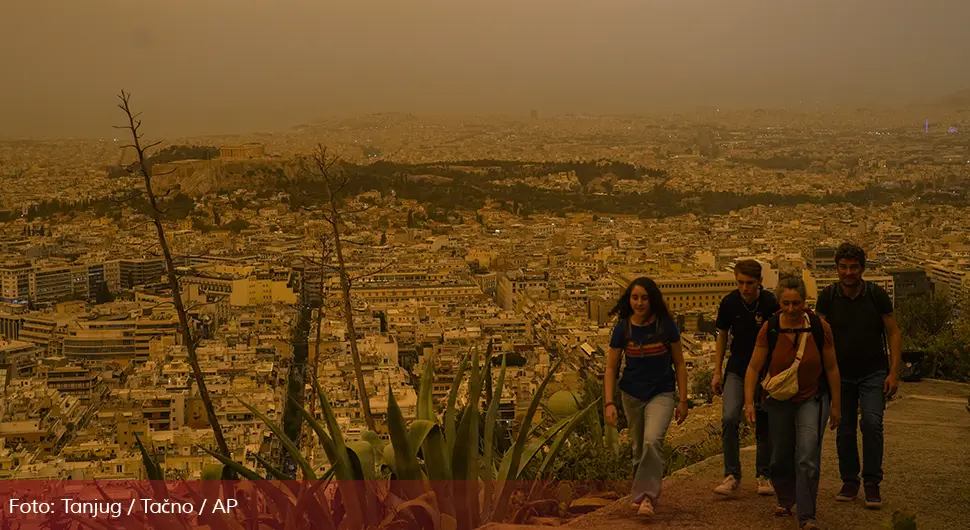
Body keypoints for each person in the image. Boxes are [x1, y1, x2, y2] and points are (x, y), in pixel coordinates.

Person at [745, 276, 841, 530]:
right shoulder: (771, 328)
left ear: (805, 302)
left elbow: (831, 367)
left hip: (811, 397)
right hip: (778, 400)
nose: (791, 309)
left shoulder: (820, 328)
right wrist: (748, 403)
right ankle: (786, 498)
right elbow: (754, 368)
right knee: (780, 455)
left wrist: (836, 405)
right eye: (786, 303)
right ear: (779, 303)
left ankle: (807, 515)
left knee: (808, 454)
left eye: (796, 303)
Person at [815, 242, 901, 509]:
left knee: (872, 424)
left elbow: (893, 332)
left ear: (862, 269)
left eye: (853, 267)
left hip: (873, 372)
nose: (848, 272)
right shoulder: (827, 297)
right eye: (843, 267)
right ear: (837, 269)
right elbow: (818, 335)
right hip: (839, 375)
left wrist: (894, 372)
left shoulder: (876, 295)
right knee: (844, 429)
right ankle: (850, 482)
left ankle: (872, 483)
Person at [604, 277, 689, 517]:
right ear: (628, 299)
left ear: (652, 300)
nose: (639, 303)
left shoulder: (665, 325)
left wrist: (683, 400)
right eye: (635, 297)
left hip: (662, 391)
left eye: (644, 298)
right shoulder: (623, 328)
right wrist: (609, 402)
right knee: (638, 447)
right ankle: (640, 492)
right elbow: (611, 367)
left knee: (652, 440)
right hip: (631, 393)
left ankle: (646, 498)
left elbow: (680, 363)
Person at [712, 259, 780, 497]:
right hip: (737, 368)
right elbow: (722, 336)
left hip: (764, 371)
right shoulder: (729, 302)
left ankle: (764, 474)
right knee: (730, 417)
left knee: (763, 422)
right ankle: (732, 474)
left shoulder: (770, 302)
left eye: (749, 283)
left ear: (760, 282)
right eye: (740, 282)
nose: (744, 288)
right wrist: (717, 370)